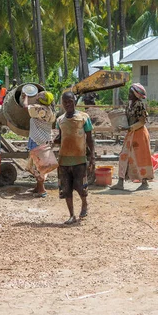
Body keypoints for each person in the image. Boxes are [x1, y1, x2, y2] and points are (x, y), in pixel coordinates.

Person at [54, 92, 94, 224]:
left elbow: (89, 138)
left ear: (75, 102)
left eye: (70, 101)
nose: (68, 104)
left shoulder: (84, 117)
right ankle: (71, 215)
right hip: (64, 159)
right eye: (65, 102)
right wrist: (54, 141)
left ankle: (84, 203)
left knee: (81, 186)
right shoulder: (60, 120)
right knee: (66, 188)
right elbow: (60, 137)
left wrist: (92, 156)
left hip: (79, 159)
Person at [110, 84, 154, 191]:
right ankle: (121, 182)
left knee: (140, 157)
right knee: (123, 156)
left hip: (139, 134)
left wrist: (128, 128)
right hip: (131, 133)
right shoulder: (130, 105)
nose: (129, 94)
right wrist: (122, 127)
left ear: (135, 94)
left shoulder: (139, 105)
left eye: (130, 92)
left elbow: (142, 122)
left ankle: (144, 182)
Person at [23, 90, 56, 198]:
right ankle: (38, 187)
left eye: (40, 96)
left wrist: (26, 97)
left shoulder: (39, 109)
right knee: (41, 164)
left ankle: (42, 190)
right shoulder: (51, 110)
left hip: (36, 140)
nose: (37, 96)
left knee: (39, 166)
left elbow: (25, 107)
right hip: (45, 139)